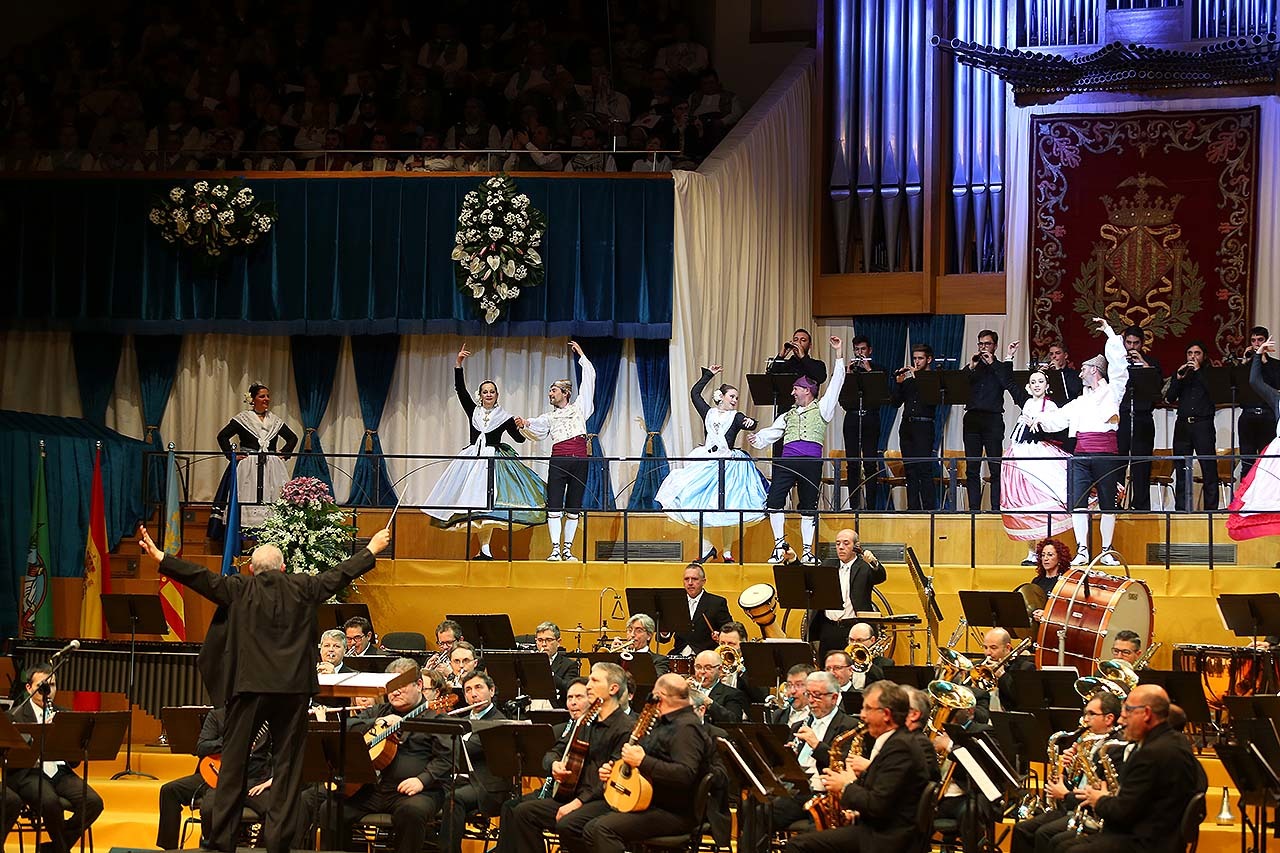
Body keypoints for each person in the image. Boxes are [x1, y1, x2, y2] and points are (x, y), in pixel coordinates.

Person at [136, 523, 390, 853]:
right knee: (287, 769)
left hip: (250, 689)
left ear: (252, 569)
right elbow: (338, 575)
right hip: (293, 692)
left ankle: (221, 845)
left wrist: (160, 557)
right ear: (284, 567)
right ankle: (277, 844)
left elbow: (201, 577)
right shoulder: (303, 586)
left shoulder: (240, 587)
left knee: (233, 767)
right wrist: (370, 550)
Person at [421, 345, 548, 560]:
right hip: (472, 459)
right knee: (474, 505)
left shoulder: (505, 416)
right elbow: (460, 390)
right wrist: (458, 364)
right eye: (485, 392)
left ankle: (486, 549)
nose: (488, 394)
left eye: (492, 391)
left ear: (497, 395)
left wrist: (520, 426)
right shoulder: (474, 411)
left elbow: (517, 439)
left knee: (488, 507)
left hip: (493, 461)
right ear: (480, 395)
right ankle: (485, 549)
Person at [317, 658, 454, 853]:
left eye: (401, 686)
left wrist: (422, 780)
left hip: (418, 791)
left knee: (412, 812)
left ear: (419, 685)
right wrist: (377, 721)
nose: (395, 692)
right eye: (391, 687)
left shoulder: (437, 717)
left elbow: (447, 757)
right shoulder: (379, 711)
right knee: (330, 809)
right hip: (372, 789)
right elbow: (346, 726)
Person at [1024, 319, 1128, 566]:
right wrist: (1036, 419)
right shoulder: (1080, 401)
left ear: (1094, 369)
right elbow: (1058, 418)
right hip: (1080, 455)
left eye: (1083, 368)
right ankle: (1083, 549)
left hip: (1105, 454)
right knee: (1078, 504)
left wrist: (1110, 333)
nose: (1079, 372)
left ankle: (1106, 550)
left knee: (1107, 504)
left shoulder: (1112, 391)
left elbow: (1120, 368)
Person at [784, 680, 932, 853]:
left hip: (886, 838)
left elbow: (877, 805)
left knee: (798, 845)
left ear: (885, 714)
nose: (862, 715)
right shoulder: (896, 742)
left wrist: (845, 786)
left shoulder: (900, 748)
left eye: (867, 709)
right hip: (878, 829)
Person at [502, 663, 633, 853]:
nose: (588, 685)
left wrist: (577, 803)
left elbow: (611, 779)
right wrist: (555, 764)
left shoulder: (626, 727)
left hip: (603, 799)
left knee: (568, 823)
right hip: (574, 794)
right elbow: (556, 750)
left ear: (613, 688)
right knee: (522, 812)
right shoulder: (585, 722)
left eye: (594, 680)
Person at [1060, 685, 1206, 853]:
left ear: (1147, 713)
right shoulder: (1179, 742)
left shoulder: (1150, 754)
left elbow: (1122, 813)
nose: (1122, 720)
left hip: (1145, 843)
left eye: (1128, 711)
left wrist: (1099, 799)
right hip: (1166, 839)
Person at [584, 674, 714, 853]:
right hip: (648, 801)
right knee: (588, 827)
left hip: (674, 812)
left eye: (652, 696)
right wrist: (614, 770)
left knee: (602, 829)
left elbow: (685, 774)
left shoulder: (686, 728)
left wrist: (642, 761)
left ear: (660, 697)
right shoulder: (664, 723)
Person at [750, 336, 846, 564]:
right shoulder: (788, 414)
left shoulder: (823, 409)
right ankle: (779, 547)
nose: (792, 393)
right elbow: (773, 431)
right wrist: (759, 437)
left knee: (808, 506)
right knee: (774, 501)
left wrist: (839, 354)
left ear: (807, 390)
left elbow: (835, 385)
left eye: (796, 389)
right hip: (787, 462)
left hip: (810, 463)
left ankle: (807, 551)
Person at [655, 366, 766, 563]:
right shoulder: (708, 412)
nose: (734, 400)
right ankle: (707, 549)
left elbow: (751, 422)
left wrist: (751, 422)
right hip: (707, 462)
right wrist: (709, 375)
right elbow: (694, 394)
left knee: (730, 507)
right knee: (703, 505)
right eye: (731, 396)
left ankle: (727, 552)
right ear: (721, 396)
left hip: (729, 465)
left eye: (736, 398)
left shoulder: (736, 417)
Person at [8, 665, 105, 853]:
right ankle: (61, 850)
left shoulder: (64, 714)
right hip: (29, 773)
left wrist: (68, 739)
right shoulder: (16, 715)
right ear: (29, 688)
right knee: (50, 802)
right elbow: (14, 756)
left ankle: (54, 849)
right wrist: (42, 732)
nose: (48, 691)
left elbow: (74, 760)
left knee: (94, 802)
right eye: (43, 686)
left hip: (59, 772)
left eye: (52, 686)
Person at [1012, 692, 1124, 853]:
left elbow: (1097, 792)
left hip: (1088, 811)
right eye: (1085, 713)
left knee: (1044, 834)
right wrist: (1064, 771)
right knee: (1021, 829)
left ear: (1109, 718)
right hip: (1070, 805)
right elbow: (1075, 782)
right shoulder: (1086, 742)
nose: (1085, 719)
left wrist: (1064, 794)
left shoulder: (1114, 748)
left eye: (1092, 714)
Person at [515, 341, 596, 562]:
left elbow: (589, 379)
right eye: (550, 390)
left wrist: (581, 355)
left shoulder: (580, 408)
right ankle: (555, 550)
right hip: (559, 461)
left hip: (579, 460)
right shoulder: (549, 417)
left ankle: (567, 550)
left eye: (554, 390)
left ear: (565, 393)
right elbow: (536, 425)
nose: (550, 393)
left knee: (574, 506)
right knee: (554, 504)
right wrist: (524, 423)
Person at [156, 706, 272, 850]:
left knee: (275, 809)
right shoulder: (218, 715)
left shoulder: (266, 719)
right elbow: (202, 747)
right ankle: (170, 849)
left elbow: (280, 754)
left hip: (251, 780)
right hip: (214, 774)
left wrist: (271, 780)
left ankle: (258, 847)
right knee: (169, 791)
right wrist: (230, 740)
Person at [768, 670, 861, 832]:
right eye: (808, 694)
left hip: (823, 792)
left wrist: (816, 745)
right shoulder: (799, 725)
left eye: (817, 696)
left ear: (834, 697)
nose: (811, 701)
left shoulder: (849, 726)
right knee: (755, 808)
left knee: (771, 813)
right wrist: (788, 758)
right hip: (797, 789)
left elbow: (842, 766)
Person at [1002, 370, 1076, 562]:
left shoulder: (1050, 405)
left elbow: (1055, 428)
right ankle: (1031, 552)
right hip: (1018, 454)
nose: (1036, 385)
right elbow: (1009, 384)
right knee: (1026, 503)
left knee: (1044, 498)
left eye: (1040, 381)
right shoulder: (1027, 402)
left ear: (1046, 385)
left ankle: (1046, 550)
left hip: (1037, 453)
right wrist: (1009, 358)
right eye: (1033, 382)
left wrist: (1038, 422)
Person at [439, 671, 510, 853]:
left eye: (478, 687)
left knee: (454, 798)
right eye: (468, 690)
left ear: (492, 691)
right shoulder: (462, 721)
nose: (473, 694)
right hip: (461, 780)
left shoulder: (498, 722)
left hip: (486, 786)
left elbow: (466, 748)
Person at [214, 382, 299, 528]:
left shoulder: (274, 420)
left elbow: (293, 438)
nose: (266, 399)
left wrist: (283, 453)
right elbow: (222, 436)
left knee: (272, 495)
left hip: (271, 466)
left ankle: (272, 530)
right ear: (253, 399)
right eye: (262, 396)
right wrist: (232, 455)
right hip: (249, 465)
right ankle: (247, 533)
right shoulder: (243, 419)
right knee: (248, 494)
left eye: (267, 396)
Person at [805, 528, 887, 659]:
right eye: (838, 544)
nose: (841, 547)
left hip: (854, 629)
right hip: (829, 628)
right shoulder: (827, 565)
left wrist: (873, 562)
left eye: (846, 543)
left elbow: (881, 576)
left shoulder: (864, 567)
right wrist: (793, 560)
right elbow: (807, 579)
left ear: (856, 546)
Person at [962, 330, 1016, 511]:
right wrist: (971, 366)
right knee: (972, 468)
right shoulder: (973, 367)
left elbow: (1006, 382)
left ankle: (995, 509)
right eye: (980, 344)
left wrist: (992, 363)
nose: (983, 347)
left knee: (995, 468)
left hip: (992, 419)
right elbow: (959, 383)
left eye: (987, 344)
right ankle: (974, 509)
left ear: (995, 346)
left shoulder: (1000, 367)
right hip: (972, 418)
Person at [1165, 340, 1219, 511]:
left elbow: (1216, 393)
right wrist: (1178, 379)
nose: (1193, 357)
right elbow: (1170, 397)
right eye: (1190, 353)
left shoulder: (1210, 373)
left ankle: (1211, 509)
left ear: (1204, 356)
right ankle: (1181, 509)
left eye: (1197, 353)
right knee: (1181, 469)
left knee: (1208, 468)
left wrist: (1198, 372)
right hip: (1182, 426)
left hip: (1203, 425)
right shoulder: (1182, 373)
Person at [842, 335, 890, 511]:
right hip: (852, 417)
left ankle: (871, 506)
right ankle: (854, 504)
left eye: (863, 349)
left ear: (870, 350)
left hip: (871, 417)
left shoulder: (879, 370)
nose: (860, 353)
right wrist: (847, 374)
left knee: (870, 462)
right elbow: (842, 398)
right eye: (857, 350)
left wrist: (869, 370)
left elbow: (884, 393)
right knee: (852, 463)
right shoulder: (850, 371)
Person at [1117, 327, 1162, 511]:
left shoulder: (1150, 363)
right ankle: (1116, 504)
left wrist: (1141, 362)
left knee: (1141, 465)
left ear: (1142, 344)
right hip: (1122, 418)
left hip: (1143, 418)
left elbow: (1157, 388)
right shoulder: (1117, 363)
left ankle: (1141, 507)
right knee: (1118, 464)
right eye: (1129, 343)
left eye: (1136, 343)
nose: (1132, 347)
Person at [892, 344, 939, 510]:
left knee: (924, 468)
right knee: (910, 468)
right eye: (915, 358)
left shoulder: (933, 378)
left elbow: (932, 399)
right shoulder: (909, 381)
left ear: (929, 359)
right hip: (907, 426)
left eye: (920, 358)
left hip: (924, 426)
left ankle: (929, 508)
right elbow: (895, 402)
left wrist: (917, 375)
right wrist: (898, 383)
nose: (917, 362)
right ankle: (912, 508)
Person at [1238, 327, 1280, 479]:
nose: (1256, 344)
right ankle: (1243, 498)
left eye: (1260, 340)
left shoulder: (1274, 364)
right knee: (1247, 462)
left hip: (1267, 416)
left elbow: (1276, 385)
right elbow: (1239, 383)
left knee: (1266, 461)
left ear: (1266, 342)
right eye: (1253, 341)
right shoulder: (1246, 364)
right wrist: (1245, 361)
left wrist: (1263, 359)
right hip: (1248, 416)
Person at [670, 562, 731, 655]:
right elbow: (662, 639)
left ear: (703, 581)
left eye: (694, 579)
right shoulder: (675, 603)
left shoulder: (717, 603)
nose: (690, 583)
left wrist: (720, 636)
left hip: (707, 656)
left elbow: (729, 631)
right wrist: (664, 633)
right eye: (687, 579)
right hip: (679, 654)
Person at [692, 649, 747, 723]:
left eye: (708, 668)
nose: (702, 672)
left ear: (720, 669)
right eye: (698, 667)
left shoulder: (732, 694)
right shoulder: (687, 690)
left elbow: (734, 720)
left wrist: (709, 702)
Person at [535, 621, 582, 705]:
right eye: (540, 640)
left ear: (558, 642)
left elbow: (569, 688)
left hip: (555, 707)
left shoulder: (570, 664)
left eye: (549, 640)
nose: (544, 644)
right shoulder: (530, 662)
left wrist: (549, 672)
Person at [1045, 342, 1083, 406]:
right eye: (1051, 354)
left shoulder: (1074, 374)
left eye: (1057, 353)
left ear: (1065, 356)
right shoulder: (1047, 373)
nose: (1054, 356)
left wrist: (1058, 371)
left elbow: (1072, 392)